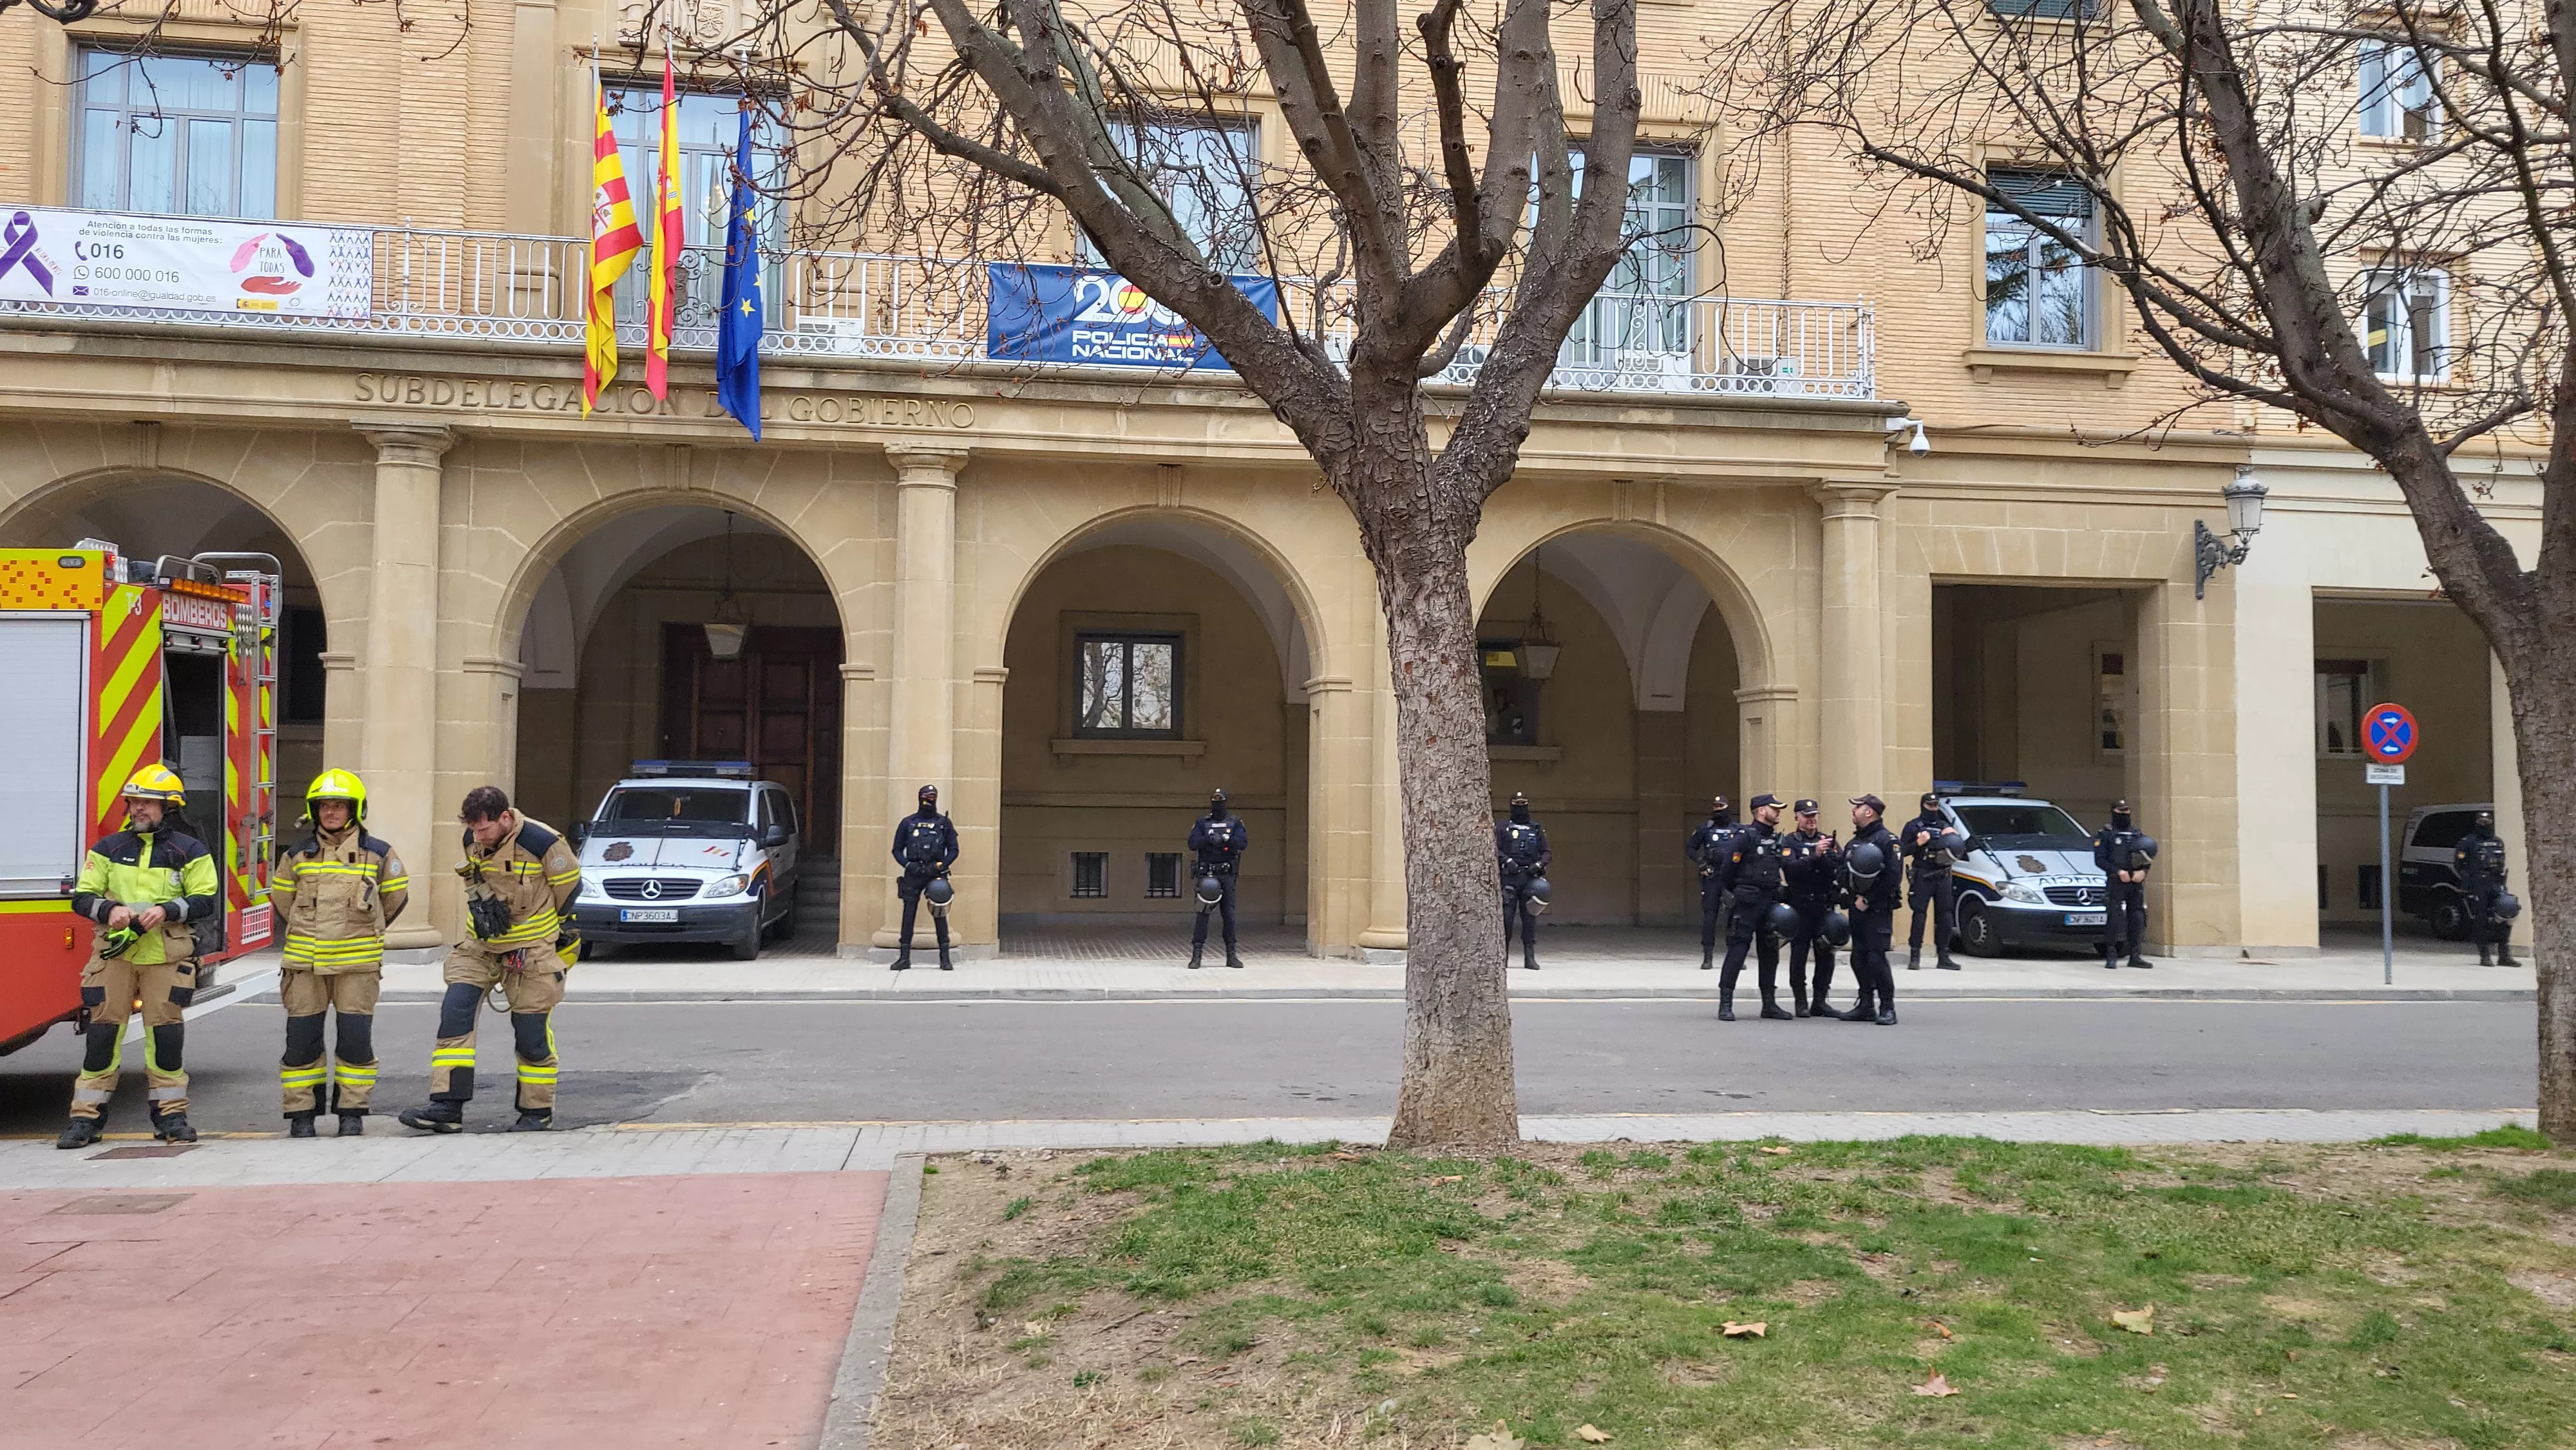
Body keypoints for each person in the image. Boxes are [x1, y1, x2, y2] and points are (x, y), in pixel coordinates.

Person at [397, 787, 582, 1135]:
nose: (478, 836)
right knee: (456, 1014)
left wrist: (541, 931)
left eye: (486, 829)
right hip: (480, 945)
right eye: (474, 830)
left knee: (531, 1034)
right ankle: (446, 1108)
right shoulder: (472, 837)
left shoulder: (543, 842)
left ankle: (536, 1112)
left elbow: (569, 889)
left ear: (506, 818)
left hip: (532, 949)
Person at [55, 765, 220, 1149]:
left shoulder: (190, 850)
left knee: (165, 1037)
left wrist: (167, 910)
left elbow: (206, 900)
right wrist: (107, 910)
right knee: (102, 1035)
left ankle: (171, 1117)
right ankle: (85, 1120)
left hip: (164, 956)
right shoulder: (109, 848)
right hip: (115, 958)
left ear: (170, 808)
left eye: (148, 802)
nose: (138, 809)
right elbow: (82, 896)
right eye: (134, 802)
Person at [269, 769, 408, 1138]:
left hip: (357, 966)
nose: (331, 812)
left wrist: (365, 933)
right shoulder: (297, 854)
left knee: (355, 1041)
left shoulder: (379, 853)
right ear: (314, 811)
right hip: (304, 964)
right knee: (301, 1042)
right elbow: (282, 899)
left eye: (339, 805)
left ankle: (352, 1112)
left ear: (354, 809)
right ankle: (302, 1115)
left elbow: (395, 898)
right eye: (324, 806)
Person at [1716, 794, 1791, 1021]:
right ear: (1760, 811)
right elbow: (1727, 871)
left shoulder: (1777, 839)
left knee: (1770, 952)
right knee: (1738, 951)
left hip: (1770, 901)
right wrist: (1740, 891)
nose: (1778, 812)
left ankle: (1769, 1004)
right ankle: (1726, 1003)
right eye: (1774, 809)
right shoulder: (1744, 837)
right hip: (1748, 902)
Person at [1840, 795, 1903, 1024]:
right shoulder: (1854, 842)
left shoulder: (1888, 841)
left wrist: (1869, 899)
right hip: (1856, 909)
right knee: (1858, 957)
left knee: (1876, 958)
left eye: (1857, 808)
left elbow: (1893, 878)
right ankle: (1866, 1004)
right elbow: (1844, 871)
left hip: (1877, 910)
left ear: (1869, 812)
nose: (1853, 811)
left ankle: (1888, 1007)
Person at [1780, 800, 1842, 1019]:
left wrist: (1824, 856)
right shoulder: (1790, 842)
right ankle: (1800, 1001)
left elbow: (1838, 870)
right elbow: (1791, 870)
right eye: (1807, 816)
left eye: (1814, 815)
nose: (1811, 819)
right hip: (1800, 905)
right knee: (1799, 954)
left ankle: (1820, 1000)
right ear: (1797, 817)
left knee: (1826, 954)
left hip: (1823, 905)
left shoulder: (1828, 841)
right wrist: (1814, 856)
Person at [889, 784, 960, 971]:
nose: (929, 800)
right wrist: (907, 864)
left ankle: (945, 958)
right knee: (908, 915)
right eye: (926, 796)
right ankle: (904, 957)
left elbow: (954, 849)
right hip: (913, 873)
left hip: (935, 874)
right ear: (919, 797)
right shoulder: (908, 823)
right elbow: (896, 849)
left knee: (939, 913)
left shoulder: (944, 823)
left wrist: (942, 865)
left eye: (933, 796)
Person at [1899, 791, 1962, 971]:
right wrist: (1918, 843)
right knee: (1919, 915)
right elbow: (1902, 851)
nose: (1933, 809)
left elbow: (1960, 851)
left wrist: (1954, 838)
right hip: (1923, 874)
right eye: (1930, 806)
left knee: (1946, 915)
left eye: (1936, 806)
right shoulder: (1913, 826)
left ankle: (1944, 956)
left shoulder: (1945, 826)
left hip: (1943, 875)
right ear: (1923, 806)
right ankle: (1915, 955)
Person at [1188, 788, 1247, 970]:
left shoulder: (1235, 822)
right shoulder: (1202, 822)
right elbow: (1192, 844)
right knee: (1203, 915)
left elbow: (1242, 843)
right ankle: (1196, 956)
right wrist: (1209, 839)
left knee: (1229, 915)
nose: (1217, 805)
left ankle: (1231, 955)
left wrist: (1226, 839)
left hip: (1226, 874)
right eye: (1215, 801)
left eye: (1220, 801)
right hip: (1207, 874)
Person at [2091, 800, 2153, 970]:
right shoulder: (2105, 834)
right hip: (2116, 881)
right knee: (2115, 918)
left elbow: (2147, 855)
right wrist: (2118, 872)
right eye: (2121, 811)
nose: (2124, 814)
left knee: (2137, 918)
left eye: (2127, 811)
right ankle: (2111, 956)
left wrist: (2143, 872)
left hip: (2135, 882)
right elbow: (2100, 860)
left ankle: (2135, 956)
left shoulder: (2136, 834)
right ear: (2114, 812)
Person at [2454, 811, 2519, 967]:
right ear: (2476, 822)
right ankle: (2485, 955)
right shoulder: (2467, 842)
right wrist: (2468, 883)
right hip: (2477, 884)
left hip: (2496, 882)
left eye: (2487, 821)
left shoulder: (2498, 841)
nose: (2484, 824)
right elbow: (2459, 865)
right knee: (2480, 919)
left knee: (2507, 911)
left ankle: (2504, 954)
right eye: (2481, 821)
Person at [1496, 791, 1551, 971]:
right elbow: (1494, 849)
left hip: (1530, 880)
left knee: (1530, 920)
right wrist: (1507, 861)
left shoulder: (1536, 828)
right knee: (1507, 920)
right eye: (1517, 803)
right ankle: (1502, 959)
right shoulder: (1503, 827)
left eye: (1523, 803)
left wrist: (1539, 864)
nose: (1520, 806)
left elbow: (1547, 852)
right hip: (1509, 879)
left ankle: (1530, 958)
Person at [1685, 796, 1738, 971]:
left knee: (1734, 916)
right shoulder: (1705, 829)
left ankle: (1735, 955)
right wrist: (1702, 864)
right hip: (1712, 877)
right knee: (1710, 916)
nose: (1718, 810)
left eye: (1721, 806)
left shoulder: (1737, 829)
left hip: (1731, 877)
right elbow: (1690, 848)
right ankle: (1708, 956)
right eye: (1715, 807)